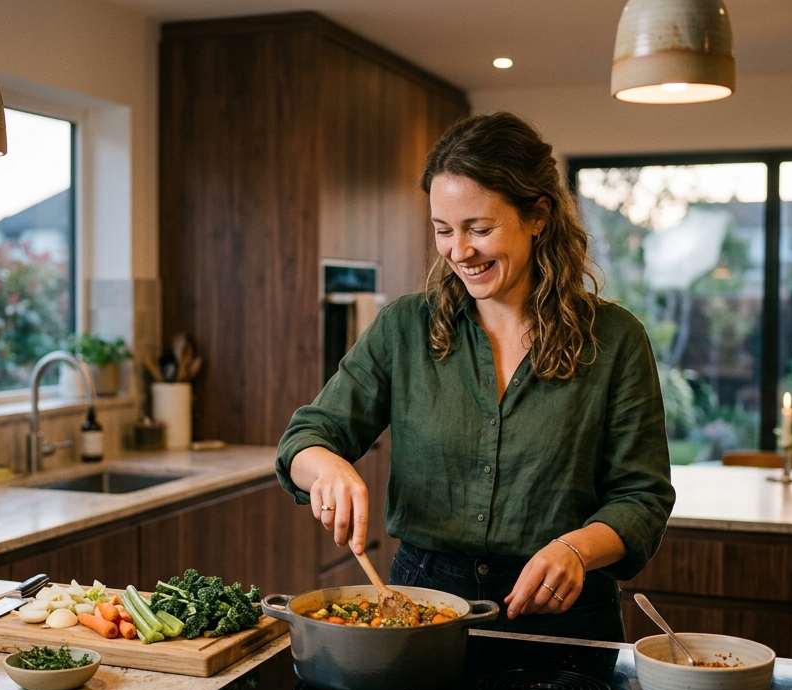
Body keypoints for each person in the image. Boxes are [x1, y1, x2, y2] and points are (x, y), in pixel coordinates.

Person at [275, 112, 674, 640]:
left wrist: (575, 548)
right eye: (444, 230)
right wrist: (326, 469)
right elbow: (305, 438)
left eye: (480, 229)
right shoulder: (404, 327)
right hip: (420, 608)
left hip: (565, 616)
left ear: (538, 216)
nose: (459, 251)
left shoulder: (616, 339)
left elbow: (642, 497)